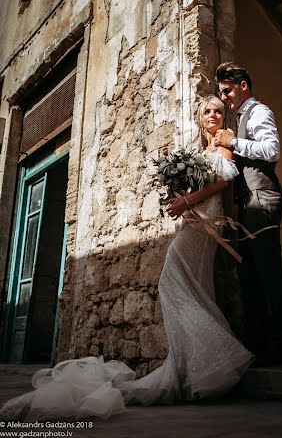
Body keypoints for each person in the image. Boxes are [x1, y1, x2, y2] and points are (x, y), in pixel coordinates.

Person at [0, 95, 253, 421]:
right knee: (194, 288)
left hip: (205, 224)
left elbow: (221, 181)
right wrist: (177, 196)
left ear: (224, 116)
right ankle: (193, 364)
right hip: (193, 221)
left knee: (171, 284)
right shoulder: (198, 151)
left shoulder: (223, 144)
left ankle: (213, 354)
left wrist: (185, 202)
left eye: (218, 110)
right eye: (207, 110)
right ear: (199, 116)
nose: (213, 114)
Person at [214, 62, 282, 366]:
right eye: (221, 92)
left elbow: (271, 150)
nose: (224, 97)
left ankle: (281, 344)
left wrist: (232, 141)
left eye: (227, 90)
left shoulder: (258, 111)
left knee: (268, 271)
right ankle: (258, 341)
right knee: (249, 274)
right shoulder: (240, 116)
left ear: (243, 85)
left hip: (262, 199)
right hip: (249, 202)